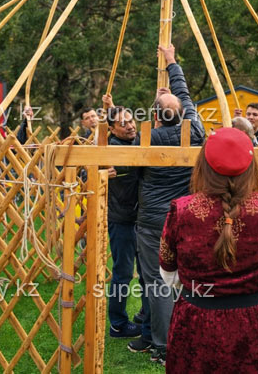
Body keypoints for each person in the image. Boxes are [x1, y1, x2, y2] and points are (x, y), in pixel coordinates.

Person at [160, 127, 258, 373]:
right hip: (257, 323)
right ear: (252, 166)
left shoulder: (182, 210)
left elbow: (169, 275)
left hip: (198, 325)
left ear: (203, 165)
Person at [130, 44, 205, 365]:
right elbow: (186, 100)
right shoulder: (197, 132)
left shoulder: (146, 139)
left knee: (157, 282)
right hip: (188, 216)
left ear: (156, 116)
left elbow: (129, 175)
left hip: (152, 221)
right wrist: (173, 63)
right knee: (189, 278)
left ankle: (162, 345)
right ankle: (190, 337)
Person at [101, 94, 147, 339]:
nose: (130, 126)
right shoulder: (108, 149)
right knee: (123, 272)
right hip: (122, 219)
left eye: (131, 121)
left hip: (142, 217)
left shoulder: (138, 139)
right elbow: (85, 175)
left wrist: (112, 105)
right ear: (111, 129)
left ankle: (144, 315)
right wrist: (101, 174)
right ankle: (118, 323)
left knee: (148, 270)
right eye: (123, 124)